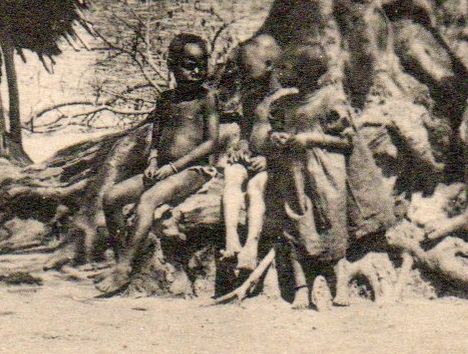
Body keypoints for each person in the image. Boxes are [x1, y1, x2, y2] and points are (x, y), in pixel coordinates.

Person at [253, 45, 395, 309]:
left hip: (327, 174)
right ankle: (301, 288)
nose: (281, 73)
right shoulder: (285, 103)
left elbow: (346, 140)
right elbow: (273, 133)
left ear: (305, 73)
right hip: (294, 173)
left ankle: (339, 285)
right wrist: (277, 137)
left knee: (333, 225)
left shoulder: (331, 100)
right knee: (296, 224)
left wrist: (309, 138)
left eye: (288, 68)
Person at [95, 33, 221, 296]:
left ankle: (124, 268)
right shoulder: (165, 99)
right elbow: (156, 136)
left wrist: (173, 168)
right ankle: (122, 256)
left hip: (193, 171)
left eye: (202, 64)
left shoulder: (206, 98)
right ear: (173, 65)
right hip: (161, 169)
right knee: (111, 197)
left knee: (148, 200)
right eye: (189, 64)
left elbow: (210, 142)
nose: (197, 70)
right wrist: (153, 160)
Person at [218, 34, 280, 273]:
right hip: (250, 157)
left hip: (271, 163)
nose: (244, 77)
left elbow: (288, 138)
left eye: (248, 70)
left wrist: (268, 159)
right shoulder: (251, 96)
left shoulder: (284, 98)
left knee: (256, 189)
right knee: (231, 177)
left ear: (269, 66)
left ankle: (251, 245)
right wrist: (242, 145)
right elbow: (246, 128)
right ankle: (231, 238)